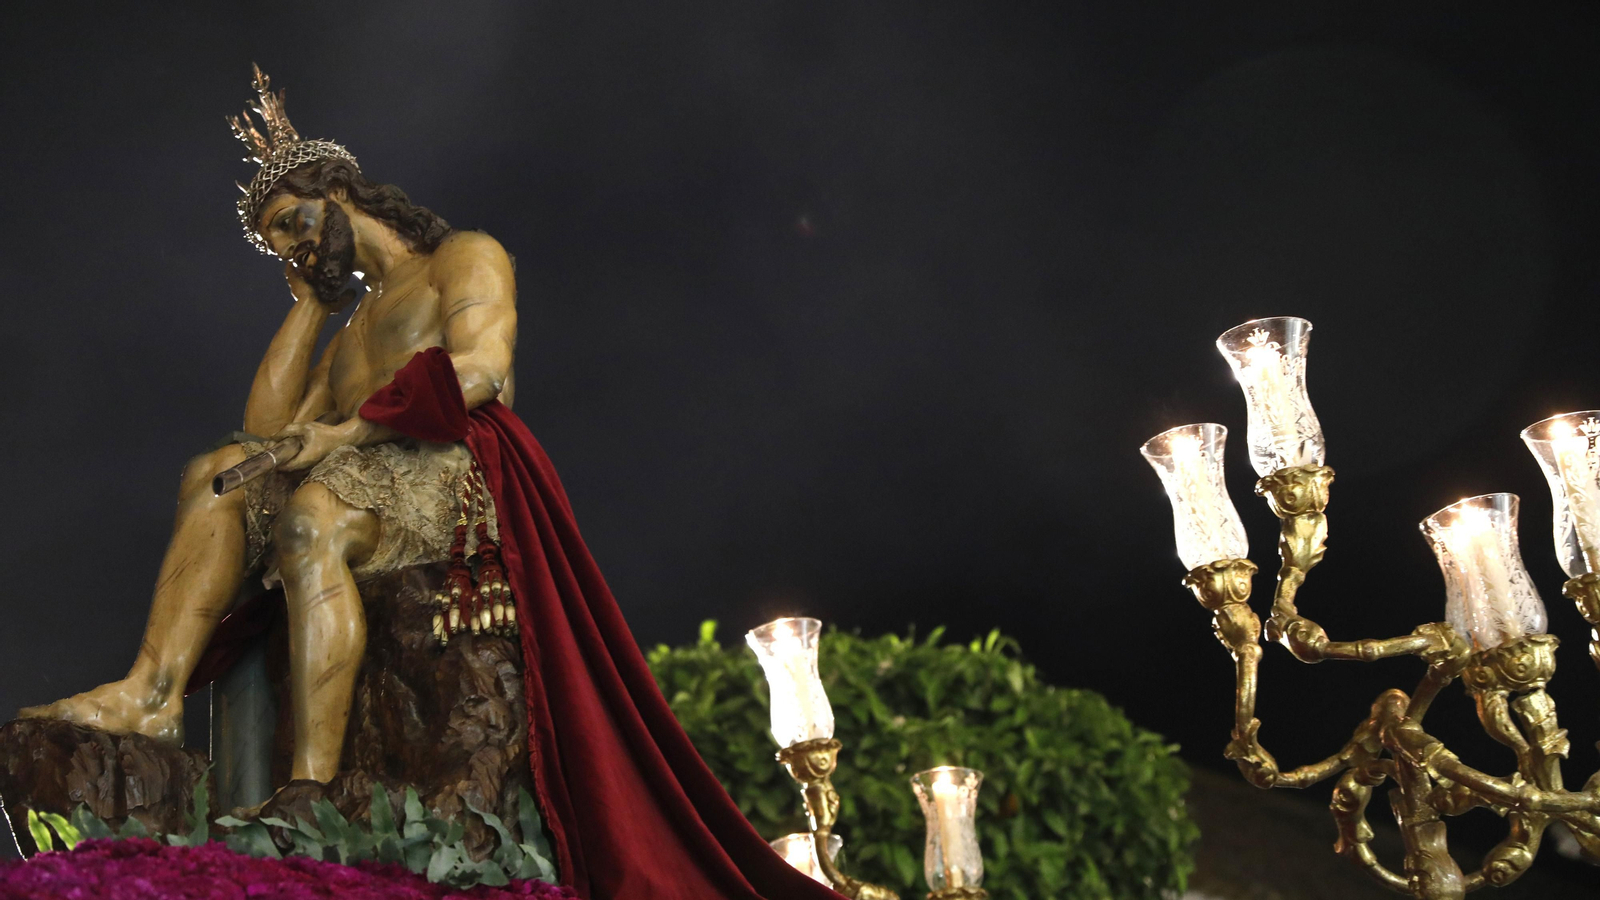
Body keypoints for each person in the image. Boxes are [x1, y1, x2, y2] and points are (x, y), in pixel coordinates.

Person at [20, 66, 849, 900]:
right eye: (282, 249)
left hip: (450, 461)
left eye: (295, 226)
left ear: (338, 189)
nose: (298, 249)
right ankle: (153, 691)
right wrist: (310, 304)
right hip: (357, 466)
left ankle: (307, 789)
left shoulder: (463, 257)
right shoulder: (349, 331)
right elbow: (268, 434)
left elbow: (482, 369)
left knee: (312, 519)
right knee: (215, 478)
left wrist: (350, 429)